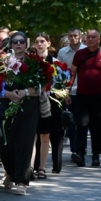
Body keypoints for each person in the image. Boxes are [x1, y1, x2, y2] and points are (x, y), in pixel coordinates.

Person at [0, 31, 41, 195]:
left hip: (28, 108)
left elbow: (42, 88)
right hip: (6, 106)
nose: (18, 44)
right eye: (15, 41)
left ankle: (22, 180)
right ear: (10, 44)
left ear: (26, 44)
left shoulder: (35, 62)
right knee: (4, 143)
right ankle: (9, 172)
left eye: (21, 41)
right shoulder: (2, 62)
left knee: (24, 143)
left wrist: (25, 92)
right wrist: (7, 94)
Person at [70, 28, 101, 167]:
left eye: (94, 37)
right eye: (88, 37)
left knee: (97, 126)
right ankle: (80, 153)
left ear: (99, 39)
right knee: (81, 125)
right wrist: (67, 92)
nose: (91, 39)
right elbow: (72, 74)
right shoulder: (79, 54)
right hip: (82, 95)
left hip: (99, 97)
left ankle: (96, 155)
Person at [32, 32, 64, 177]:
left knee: (46, 135)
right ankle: (31, 166)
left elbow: (64, 82)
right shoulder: (30, 62)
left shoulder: (56, 63)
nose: (39, 44)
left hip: (51, 102)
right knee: (33, 136)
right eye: (37, 42)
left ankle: (42, 168)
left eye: (42, 41)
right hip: (32, 101)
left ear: (48, 43)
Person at [57, 28, 83, 158]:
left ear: (80, 36)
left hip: (84, 91)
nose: (73, 38)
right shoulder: (63, 52)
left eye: (75, 35)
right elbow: (60, 72)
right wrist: (64, 92)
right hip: (69, 90)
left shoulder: (86, 50)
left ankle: (80, 149)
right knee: (71, 121)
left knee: (82, 122)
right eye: (71, 36)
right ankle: (74, 150)